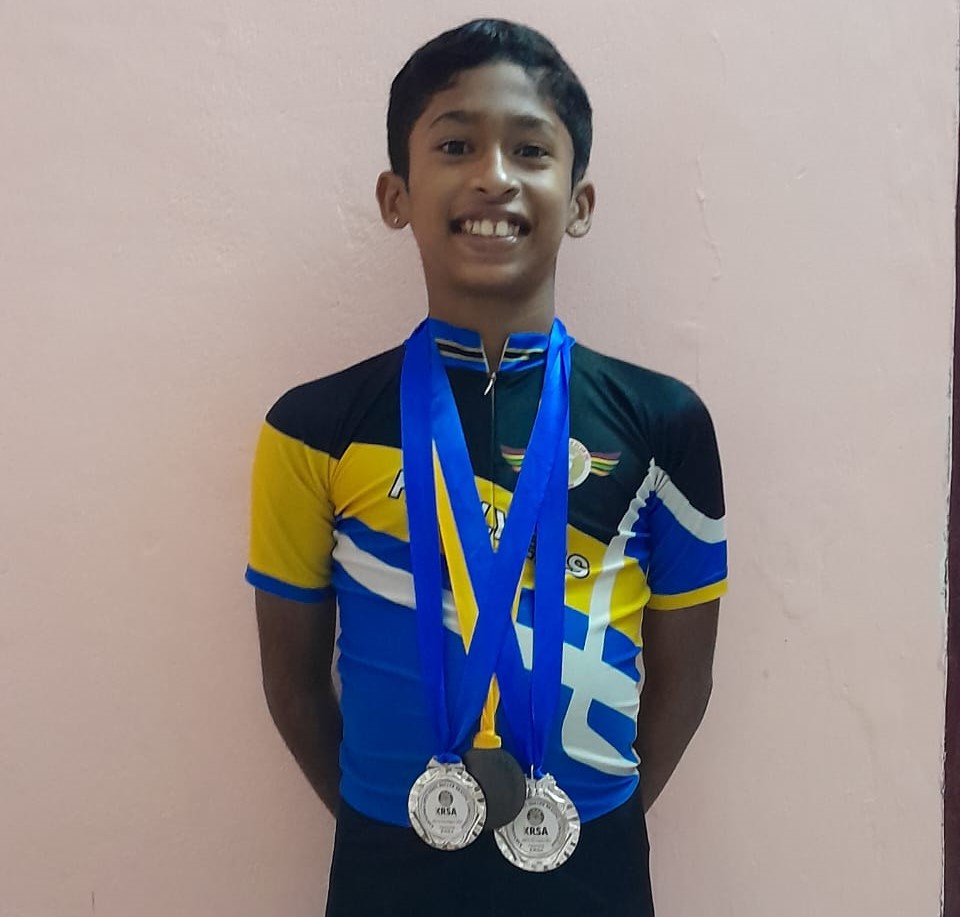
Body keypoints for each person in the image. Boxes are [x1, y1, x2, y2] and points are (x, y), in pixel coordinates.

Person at [246, 18, 727, 917]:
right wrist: (387, 818)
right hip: (388, 864)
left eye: (531, 149)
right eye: (456, 144)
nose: (494, 176)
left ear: (579, 201)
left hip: (590, 861)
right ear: (396, 195)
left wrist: (594, 818)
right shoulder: (312, 430)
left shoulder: (666, 427)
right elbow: (293, 684)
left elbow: (686, 682)